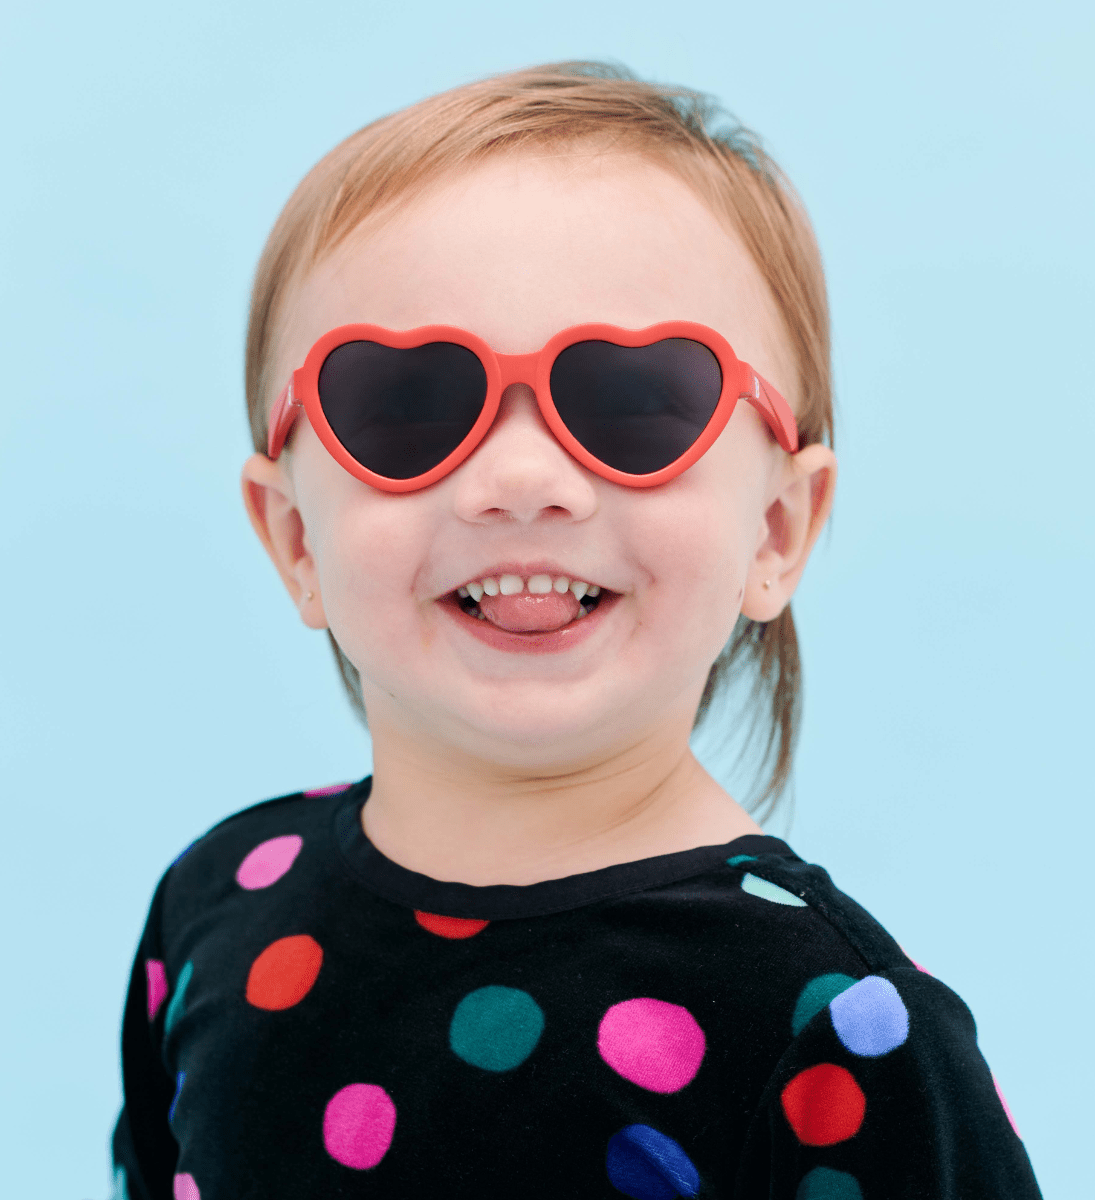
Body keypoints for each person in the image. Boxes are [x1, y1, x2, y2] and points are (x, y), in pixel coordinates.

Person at [111, 62, 1041, 1199]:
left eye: (635, 402)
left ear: (777, 530)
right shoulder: (220, 903)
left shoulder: (836, 1026)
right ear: (296, 538)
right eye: (405, 405)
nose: (520, 481)